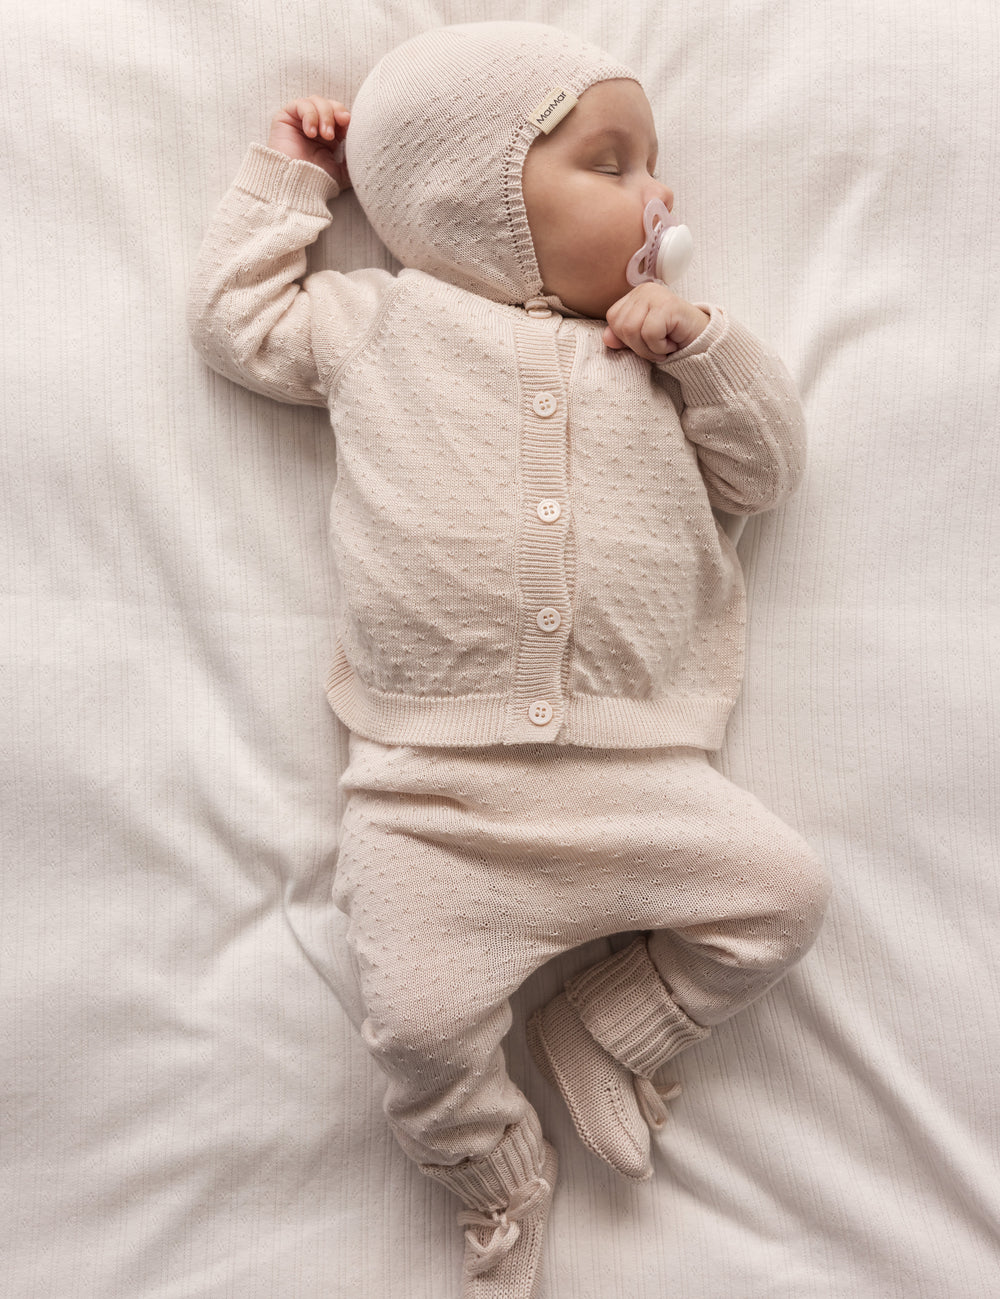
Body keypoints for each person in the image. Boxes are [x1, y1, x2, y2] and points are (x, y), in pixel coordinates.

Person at [186, 21, 832, 1299]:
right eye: (612, 162)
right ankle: (494, 1173)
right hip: (432, 791)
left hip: (637, 772)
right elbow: (232, 319)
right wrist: (293, 181)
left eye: (655, 166)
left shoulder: (660, 355)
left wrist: (700, 347)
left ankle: (608, 1020)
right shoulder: (379, 322)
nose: (660, 195)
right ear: (471, 192)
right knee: (417, 1032)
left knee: (781, 897)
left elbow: (765, 472)